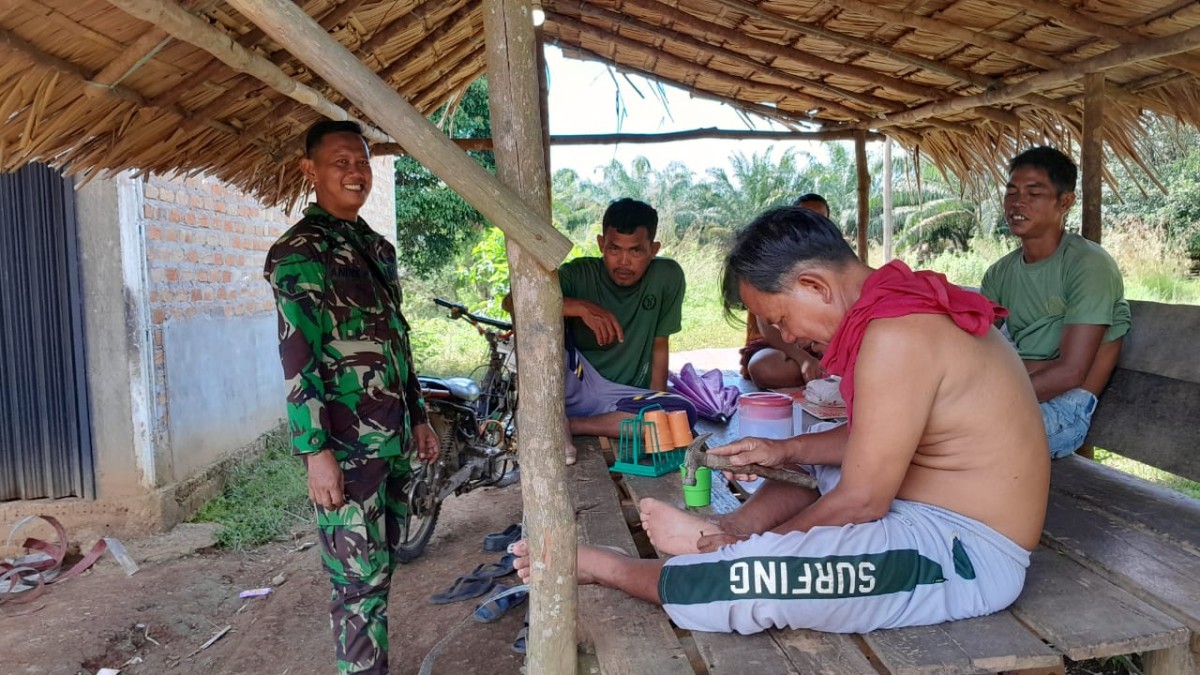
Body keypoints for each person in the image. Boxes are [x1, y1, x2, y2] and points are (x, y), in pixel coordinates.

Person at [513, 206, 1049, 635]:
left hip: (961, 552)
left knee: (754, 579)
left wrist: (750, 554)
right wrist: (783, 452)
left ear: (814, 285)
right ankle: (727, 527)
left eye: (779, 319)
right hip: (921, 509)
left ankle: (614, 565)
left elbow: (864, 500)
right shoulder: (897, 310)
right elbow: (878, 442)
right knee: (810, 452)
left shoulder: (898, 334)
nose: (786, 337)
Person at [264, 120, 439, 675]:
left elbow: (397, 342)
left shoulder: (373, 248)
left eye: (361, 162)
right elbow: (298, 360)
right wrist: (316, 453)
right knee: (355, 583)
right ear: (309, 171)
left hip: (389, 441)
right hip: (345, 450)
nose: (355, 172)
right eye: (340, 162)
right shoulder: (299, 254)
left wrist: (419, 418)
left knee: (379, 572)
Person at [981, 146, 1131, 459]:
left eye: (1034, 193)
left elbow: (1071, 373)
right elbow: (974, 349)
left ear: (1064, 202)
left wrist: (988, 395)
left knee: (948, 440)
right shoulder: (1001, 273)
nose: (1017, 202)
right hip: (1017, 391)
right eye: (1011, 192)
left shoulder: (1088, 265)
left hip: (1065, 411)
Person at [557, 198, 695, 441]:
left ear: (653, 250)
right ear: (601, 244)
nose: (623, 262)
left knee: (681, 414)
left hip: (625, 397)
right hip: (576, 383)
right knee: (539, 334)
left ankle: (575, 425)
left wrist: (658, 407)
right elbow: (514, 302)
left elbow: (659, 344)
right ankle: (563, 416)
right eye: (614, 249)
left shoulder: (666, 277)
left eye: (635, 251)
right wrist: (579, 307)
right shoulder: (577, 274)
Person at [740, 193, 828, 388]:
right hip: (779, 348)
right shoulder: (774, 260)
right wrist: (802, 358)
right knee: (765, 369)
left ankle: (823, 371)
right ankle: (823, 373)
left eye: (820, 220)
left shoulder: (835, 261)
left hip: (823, 347)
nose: (812, 227)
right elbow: (767, 324)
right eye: (804, 219)